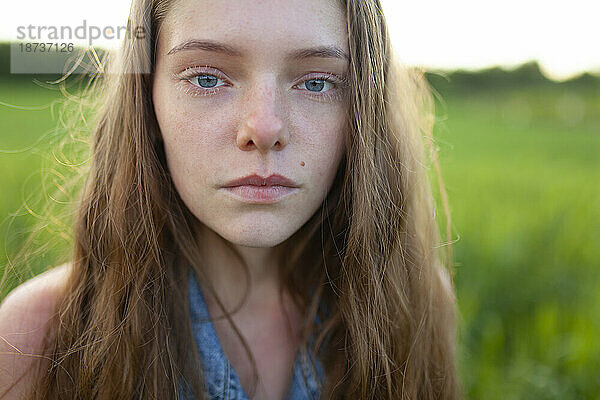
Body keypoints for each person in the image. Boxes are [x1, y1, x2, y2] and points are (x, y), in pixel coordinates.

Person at [0, 0, 460, 399]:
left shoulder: (415, 303)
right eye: (206, 78)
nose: (264, 128)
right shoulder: (36, 338)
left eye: (317, 82)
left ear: (363, 107)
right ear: (147, 99)